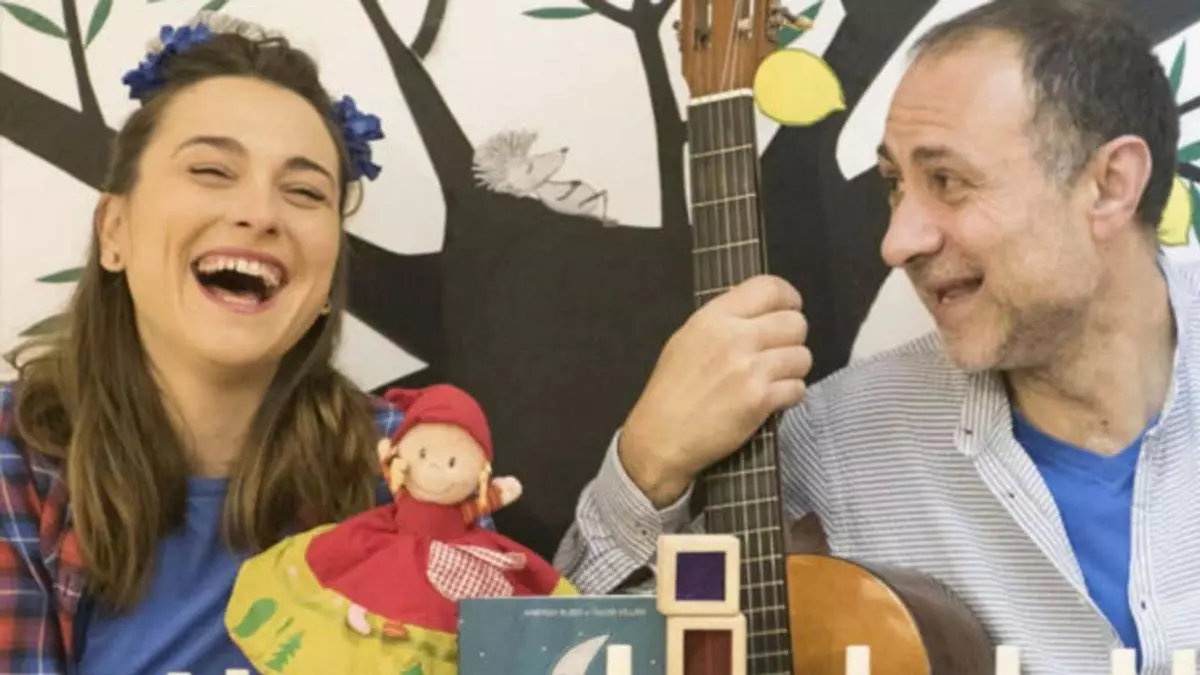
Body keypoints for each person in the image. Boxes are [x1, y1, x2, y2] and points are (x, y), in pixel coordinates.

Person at [555, 0, 1198, 672]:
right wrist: (650, 461)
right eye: (895, 184)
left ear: (1110, 185)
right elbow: (572, 645)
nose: (897, 242)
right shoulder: (836, 439)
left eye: (947, 180)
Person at [0, 12, 423, 674]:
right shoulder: (14, 458)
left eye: (304, 191)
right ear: (114, 231)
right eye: (211, 170)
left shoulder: (411, 461)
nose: (259, 214)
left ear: (328, 275)